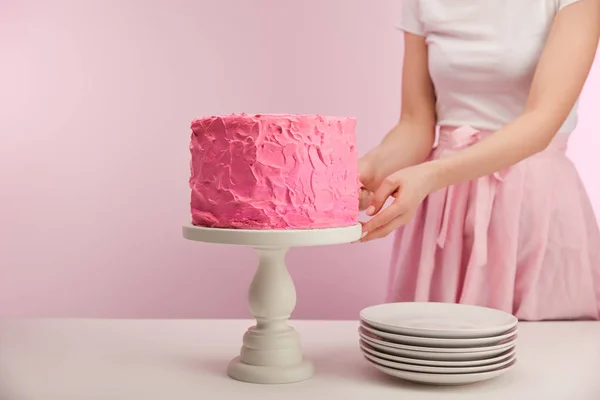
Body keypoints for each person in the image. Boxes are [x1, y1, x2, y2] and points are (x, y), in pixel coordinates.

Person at [359, 0, 600, 320]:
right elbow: (415, 124)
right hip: (444, 208)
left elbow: (541, 123)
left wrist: (430, 175)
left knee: (546, 352)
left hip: (533, 202)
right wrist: (366, 173)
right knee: (434, 347)